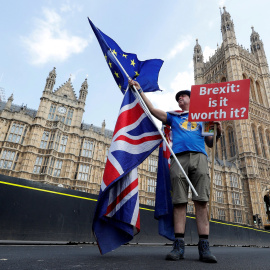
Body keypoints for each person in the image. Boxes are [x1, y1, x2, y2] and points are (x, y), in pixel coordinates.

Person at [129, 79, 222, 263]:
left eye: (183, 96)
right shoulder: (174, 117)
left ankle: (204, 247)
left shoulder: (205, 117)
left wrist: (217, 131)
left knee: (201, 202)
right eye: (178, 98)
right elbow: (155, 112)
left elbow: (211, 143)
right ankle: (178, 246)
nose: (180, 99)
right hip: (178, 158)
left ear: (192, 99)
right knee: (179, 202)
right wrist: (140, 92)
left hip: (200, 157)